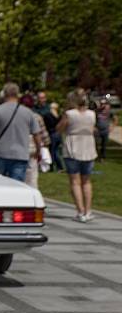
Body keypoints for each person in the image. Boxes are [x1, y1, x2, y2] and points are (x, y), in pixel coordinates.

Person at [0, 82, 42, 182]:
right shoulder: (28, 112)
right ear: (18, 94)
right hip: (20, 155)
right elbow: (37, 135)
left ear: (4, 94)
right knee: (16, 185)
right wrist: (38, 150)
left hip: (0, 154)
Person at [58, 89, 98, 222]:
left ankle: (80, 211)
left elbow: (60, 128)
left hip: (73, 147)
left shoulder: (69, 114)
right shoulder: (92, 114)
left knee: (75, 181)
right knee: (86, 180)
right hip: (88, 147)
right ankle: (88, 210)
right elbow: (92, 129)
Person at [21, 94, 51, 189]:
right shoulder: (37, 117)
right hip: (32, 148)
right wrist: (45, 144)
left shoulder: (16, 116)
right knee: (32, 176)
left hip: (17, 148)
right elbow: (43, 133)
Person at [43, 101, 64, 172]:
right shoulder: (59, 115)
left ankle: (51, 167)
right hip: (58, 134)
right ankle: (60, 166)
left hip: (52, 134)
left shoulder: (48, 115)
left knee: (52, 151)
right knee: (56, 152)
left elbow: (47, 125)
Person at [95, 98, 116, 162]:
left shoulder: (109, 111)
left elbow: (115, 119)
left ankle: (102, 158)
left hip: (105, 130)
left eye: (104, 104)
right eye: (101, 104)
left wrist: (112, 127)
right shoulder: (97, 111)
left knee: (103, 145)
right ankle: (96, 156)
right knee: (95, 144)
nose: (103, 105)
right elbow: (93, 119)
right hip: (97, 130)